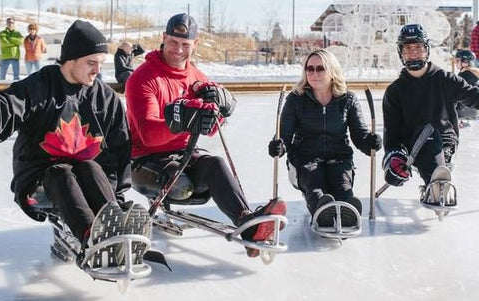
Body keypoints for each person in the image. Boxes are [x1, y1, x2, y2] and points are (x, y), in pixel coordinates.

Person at [125, 13, 286, 258]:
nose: (178, 50)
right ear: (164, 38)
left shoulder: (197, 77)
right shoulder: (142, 79)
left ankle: (248, 225)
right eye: (173, 42)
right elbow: (149, 136)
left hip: (185, 155)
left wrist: (220, 111)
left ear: (195, 44)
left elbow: (210, 128)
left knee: (215, 164)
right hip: (147, 161)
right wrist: (185, 121)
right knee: (182, 185)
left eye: (185, 45)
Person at [0, 20, 149, 269]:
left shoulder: (105, 98)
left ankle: (117, 229)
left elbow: (119, 148)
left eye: (100, 64)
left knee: (89, 166)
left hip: (88, 175)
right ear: (69, 60)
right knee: (62, 171)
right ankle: (92, 237)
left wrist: (117, 194)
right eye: (91, 63)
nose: (97, 71)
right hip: (38, 179)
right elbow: (9, 105)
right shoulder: (41, 86)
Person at [267, 49, 382, 227]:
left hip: (339, 158)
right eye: (310, 68)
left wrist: (370, 143)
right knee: (316, 188)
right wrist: (279, 146)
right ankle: (323, 213)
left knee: (343, 189)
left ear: (332, 71)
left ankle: (347, 212)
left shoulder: (347, 99)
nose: (314, 73)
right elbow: (284, 135)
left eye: (320, 68)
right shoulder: (296, 99)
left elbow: (360, 135)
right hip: (305, 160)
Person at [382, 24, 479, 206]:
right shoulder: (394, 91)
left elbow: (475, 98)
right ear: (400, 52)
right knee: (425, 133)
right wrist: (393, 160)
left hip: (446, 142)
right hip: (413, 147)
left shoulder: (446, 79)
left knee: (432, 134)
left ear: (427, 50)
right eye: (408, 48)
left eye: (418, 47)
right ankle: (436, 186)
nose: (414, 53)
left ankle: (437, 183)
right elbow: (391, 136)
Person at [454, 49, 479, 121]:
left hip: (468, 109)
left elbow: (465, 95)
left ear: (465, 62)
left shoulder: (467, 75)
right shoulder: (472, 72)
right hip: (471, 108)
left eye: (458, 61)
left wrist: (455, 110)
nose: (456, 63)